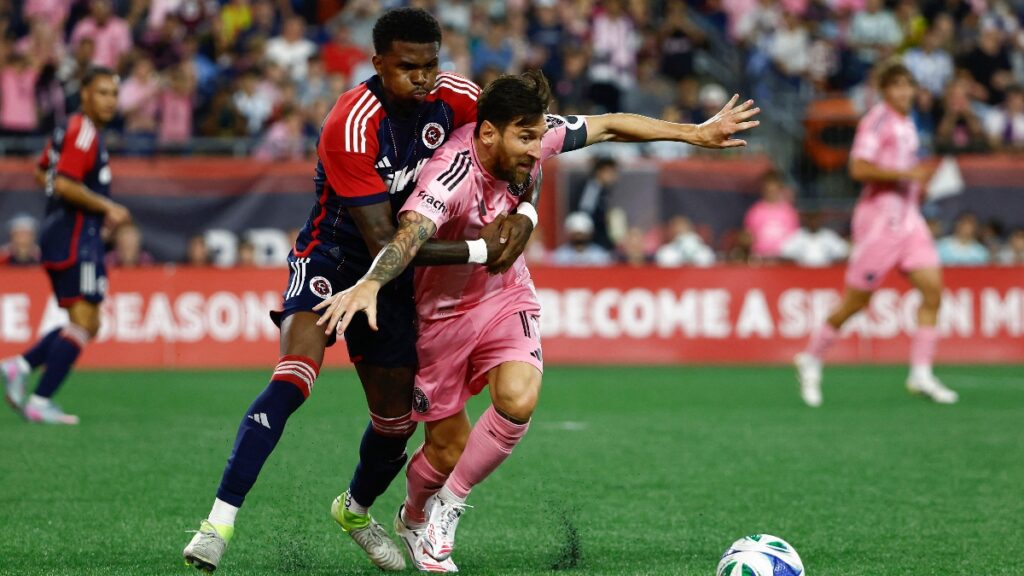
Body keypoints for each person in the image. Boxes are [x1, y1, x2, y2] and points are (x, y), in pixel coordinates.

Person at [314, 69, 759, 569]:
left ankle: (450, 508)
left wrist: (694, 133)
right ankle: (413, 517)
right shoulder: (449, 173)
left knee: (519, 398)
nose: (536, 147)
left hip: (507, 297)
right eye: (525, 138)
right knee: (445, 446)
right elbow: (409, 237)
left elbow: (610, 125)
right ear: (488, 133)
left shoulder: (532, 136)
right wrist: (372, 282)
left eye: (538, 136)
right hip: (439, 316)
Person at [182, 9, 535, 573]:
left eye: (431, 64)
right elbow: (380, 241)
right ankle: (216, 524)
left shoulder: (460, 97)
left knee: (394, 424)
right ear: (377, 64)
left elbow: (528, 135)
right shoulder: (351, 123)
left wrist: (526, 208)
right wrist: (479, 249)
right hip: (336, 256)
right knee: (294, 376)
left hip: (397, 281)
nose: (423, 78)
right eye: (407, 67)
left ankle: (355, 510)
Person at [795, 61, 958, 408]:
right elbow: (858, 167)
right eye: (896, 86)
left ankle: (921, 374)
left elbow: (906, 173)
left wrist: (919, 183)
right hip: (880, 221)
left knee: (933, 290)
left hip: (909, 219)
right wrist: (906, 173)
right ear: (885, 91)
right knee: (857, 301)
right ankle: (812, 358)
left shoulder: (909, 123)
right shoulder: (877, 120)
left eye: (908, 85)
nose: (904, 92)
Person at [1, 67, 129, 424]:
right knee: (86, 320)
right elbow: (66, 184)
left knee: (87, 321)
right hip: (76, 235)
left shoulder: (70, 128)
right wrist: (108, 207)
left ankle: (21, 366)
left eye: (113, 94)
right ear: (85, 94)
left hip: (65, 231)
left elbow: (43, 171)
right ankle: (39, 400)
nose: (109, 101)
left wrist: (63, 194)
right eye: (101, 92)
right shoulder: (84, 132)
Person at [549, 212, 613, 266]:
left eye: (582, 234)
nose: (579, 237)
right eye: (576, 234)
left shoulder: (600, 256)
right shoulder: (560, 256)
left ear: (590, 234)